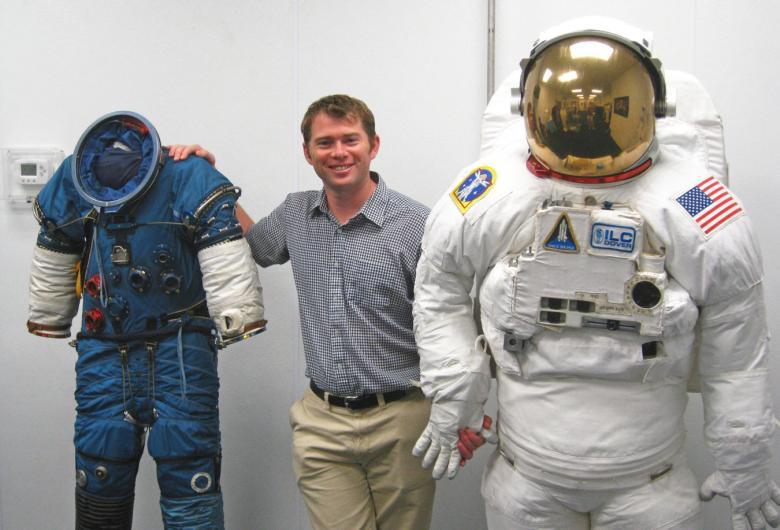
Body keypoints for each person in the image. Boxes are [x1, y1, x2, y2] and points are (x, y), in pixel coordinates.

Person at [412, 17, 780, 529]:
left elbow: (737, 348)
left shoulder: (693, 204)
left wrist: (746, 459)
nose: (585, 126)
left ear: (654, 107)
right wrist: (455, 396)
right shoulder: (495, 190)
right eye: (569, 108)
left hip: (647, 485)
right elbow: (438, 287)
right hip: (527, 480)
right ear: (530, 107)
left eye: (604, 108)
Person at [170, 94, 435, 529]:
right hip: (322, 422)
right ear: (308, 152)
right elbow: (255, 246)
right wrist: (208, 178)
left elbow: (446, 322)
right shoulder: (296, 213)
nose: (339, 153)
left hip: (401, 419)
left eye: (350, 139)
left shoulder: (417, 225)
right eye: (325, 143)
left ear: (374, 144)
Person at [27, 111, 266, 529]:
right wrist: (48, 314)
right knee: (100, 470)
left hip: (179, 353)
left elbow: (223, 241)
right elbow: (57, 241)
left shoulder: (187, 175)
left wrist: (238, 313)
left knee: (189, 468)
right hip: (107, 350)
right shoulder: (74, 179)